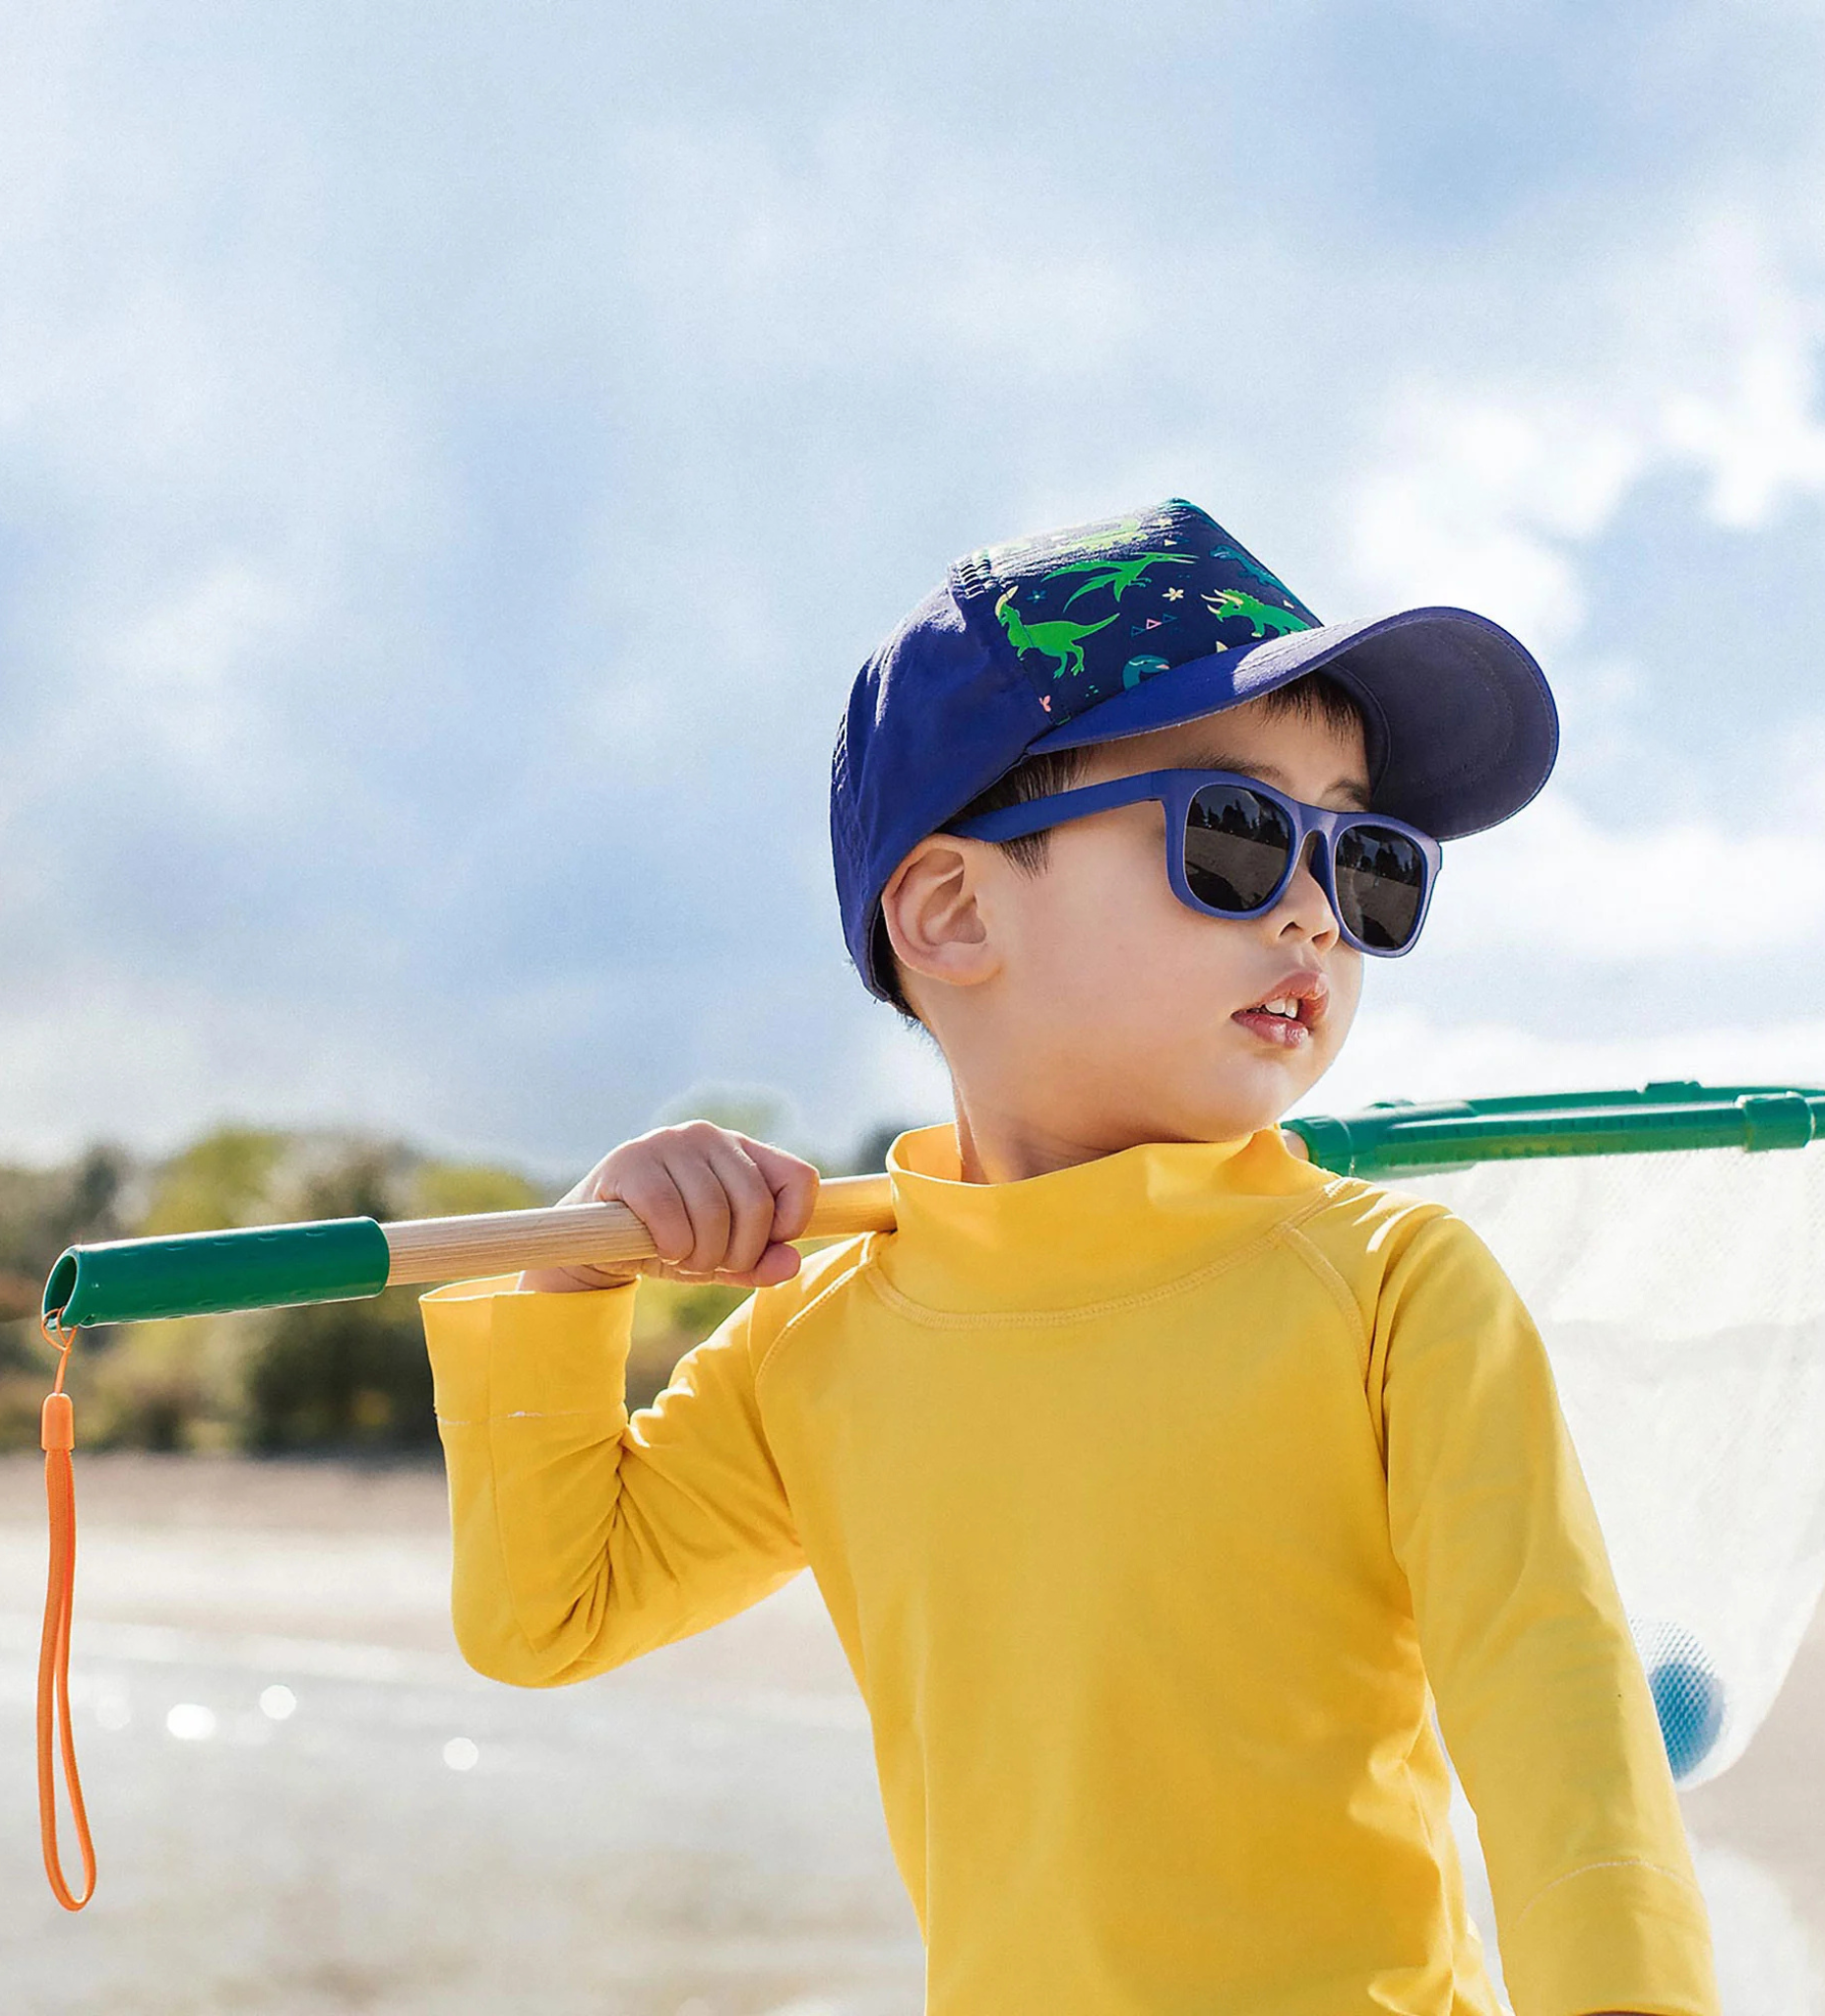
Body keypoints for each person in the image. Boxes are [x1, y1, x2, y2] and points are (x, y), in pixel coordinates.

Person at [420, 499, 1720, 2015]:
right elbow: (547, 1616)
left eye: (1366, 861)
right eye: (1235, 837)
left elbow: (1573, 1776)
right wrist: (576, 1280)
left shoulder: (1390, 1289)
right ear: (957, 910)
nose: (1314, 912)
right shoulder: (820, 1338)